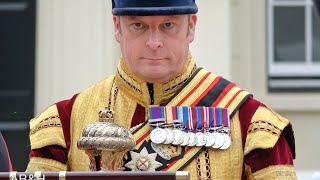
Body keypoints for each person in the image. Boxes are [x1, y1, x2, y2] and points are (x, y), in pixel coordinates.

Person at [26, 0, 297, 179]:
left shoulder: (251, 123)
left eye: (168, 25)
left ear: (191, 26)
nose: (154, 42)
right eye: (139, 26)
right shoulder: (64, 121)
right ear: (117, 28)